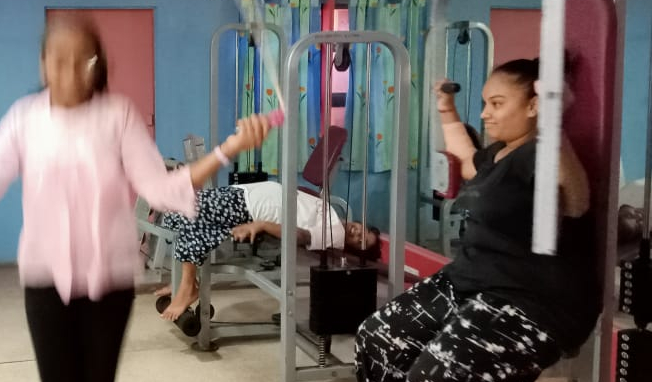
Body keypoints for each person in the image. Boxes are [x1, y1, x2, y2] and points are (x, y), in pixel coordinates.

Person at [0, 15, 273, 382]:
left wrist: (229, 149)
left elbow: (160, 187)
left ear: (96, 65)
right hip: (46, 281)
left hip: (110, 282)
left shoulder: (117, 115)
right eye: (58, 60)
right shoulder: (24, 119)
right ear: (43, 65)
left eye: (82, 60)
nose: (69, 71)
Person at [354, 59, 598, 382]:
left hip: (530, 299)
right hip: (470, 279)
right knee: (376, 339)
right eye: (485, 103)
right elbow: (468, 162)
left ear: (533, 106)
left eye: (496, 104)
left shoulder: (542, 154)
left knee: (432, 376)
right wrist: (446, 108)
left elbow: (578, 200)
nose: (484, 114)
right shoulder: (500, 152)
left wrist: (552, 127)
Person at [154, 180, 383, 321]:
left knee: (183, 212)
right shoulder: (332, 215)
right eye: (363, 231)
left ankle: (187, 286)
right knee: (176, 218)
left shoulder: (335, 235)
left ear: (351, 248)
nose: (357, 233)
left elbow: (300, 235)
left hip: (248, 206)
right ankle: (184, 281)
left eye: (360, 241)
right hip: (245, 194)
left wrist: (262, 225)